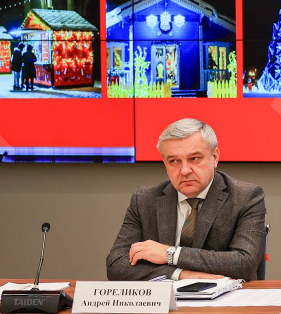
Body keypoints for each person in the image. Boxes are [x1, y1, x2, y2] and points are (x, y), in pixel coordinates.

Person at [105, 117, 266, 283]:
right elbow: (116, 265)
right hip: (165, 298)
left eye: (194, 158)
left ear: (215, 157)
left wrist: (170, 253)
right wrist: (180, 274)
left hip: (227, 298)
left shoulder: (245, 197)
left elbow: (244, 264)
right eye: (174, 161)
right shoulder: (145, 200)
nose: (184, 170)